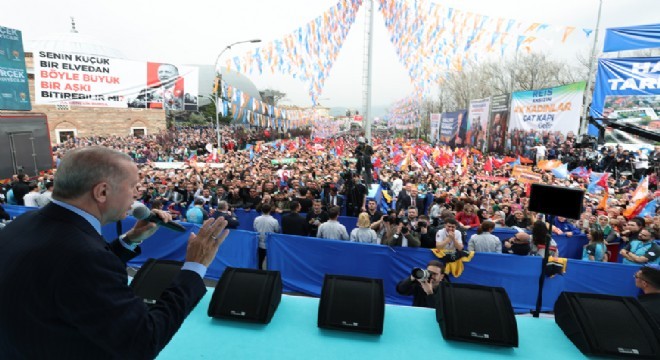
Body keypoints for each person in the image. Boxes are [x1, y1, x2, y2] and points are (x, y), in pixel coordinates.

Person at [0, 146, 230, 358]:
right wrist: (194, 267)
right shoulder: (85, 256)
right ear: (102, 192)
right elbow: (143, 341)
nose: (136, 195)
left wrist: (129, 241)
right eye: (132, 187)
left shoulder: (26, 222)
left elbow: (72, 280)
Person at [253, 203, 280, 270]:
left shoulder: (256, 219)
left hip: (260, 243)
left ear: (262, 210)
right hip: (269, 244)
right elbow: (277, 230)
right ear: (270, 210)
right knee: (270, 260)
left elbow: (255, 228)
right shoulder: (274, 221)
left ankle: (259, 271)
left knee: (260, 260)